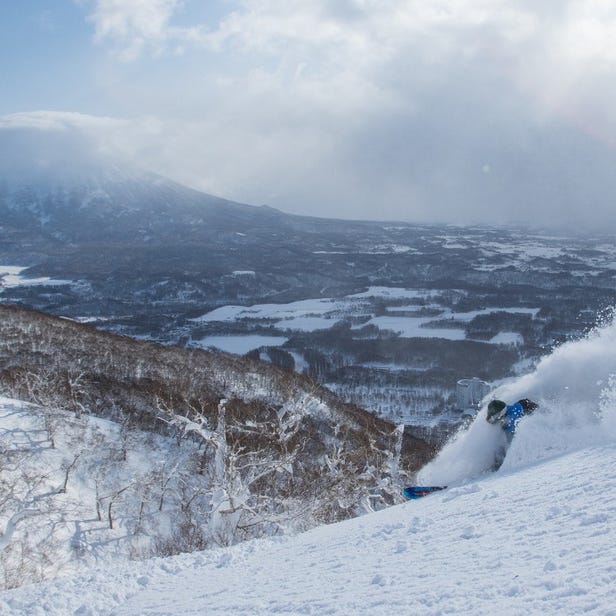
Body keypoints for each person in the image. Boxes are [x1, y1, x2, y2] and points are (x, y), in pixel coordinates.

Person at [486, 398, 538, 469]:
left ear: (501, 413)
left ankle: (499, 463)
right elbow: (491, 418)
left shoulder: (511, 420)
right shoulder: (504, 412)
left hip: (529, 410)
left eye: (495, 416)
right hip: (523, 404)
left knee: (504, 442)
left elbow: (509, 442)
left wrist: (500, 460)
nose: (494, 418)